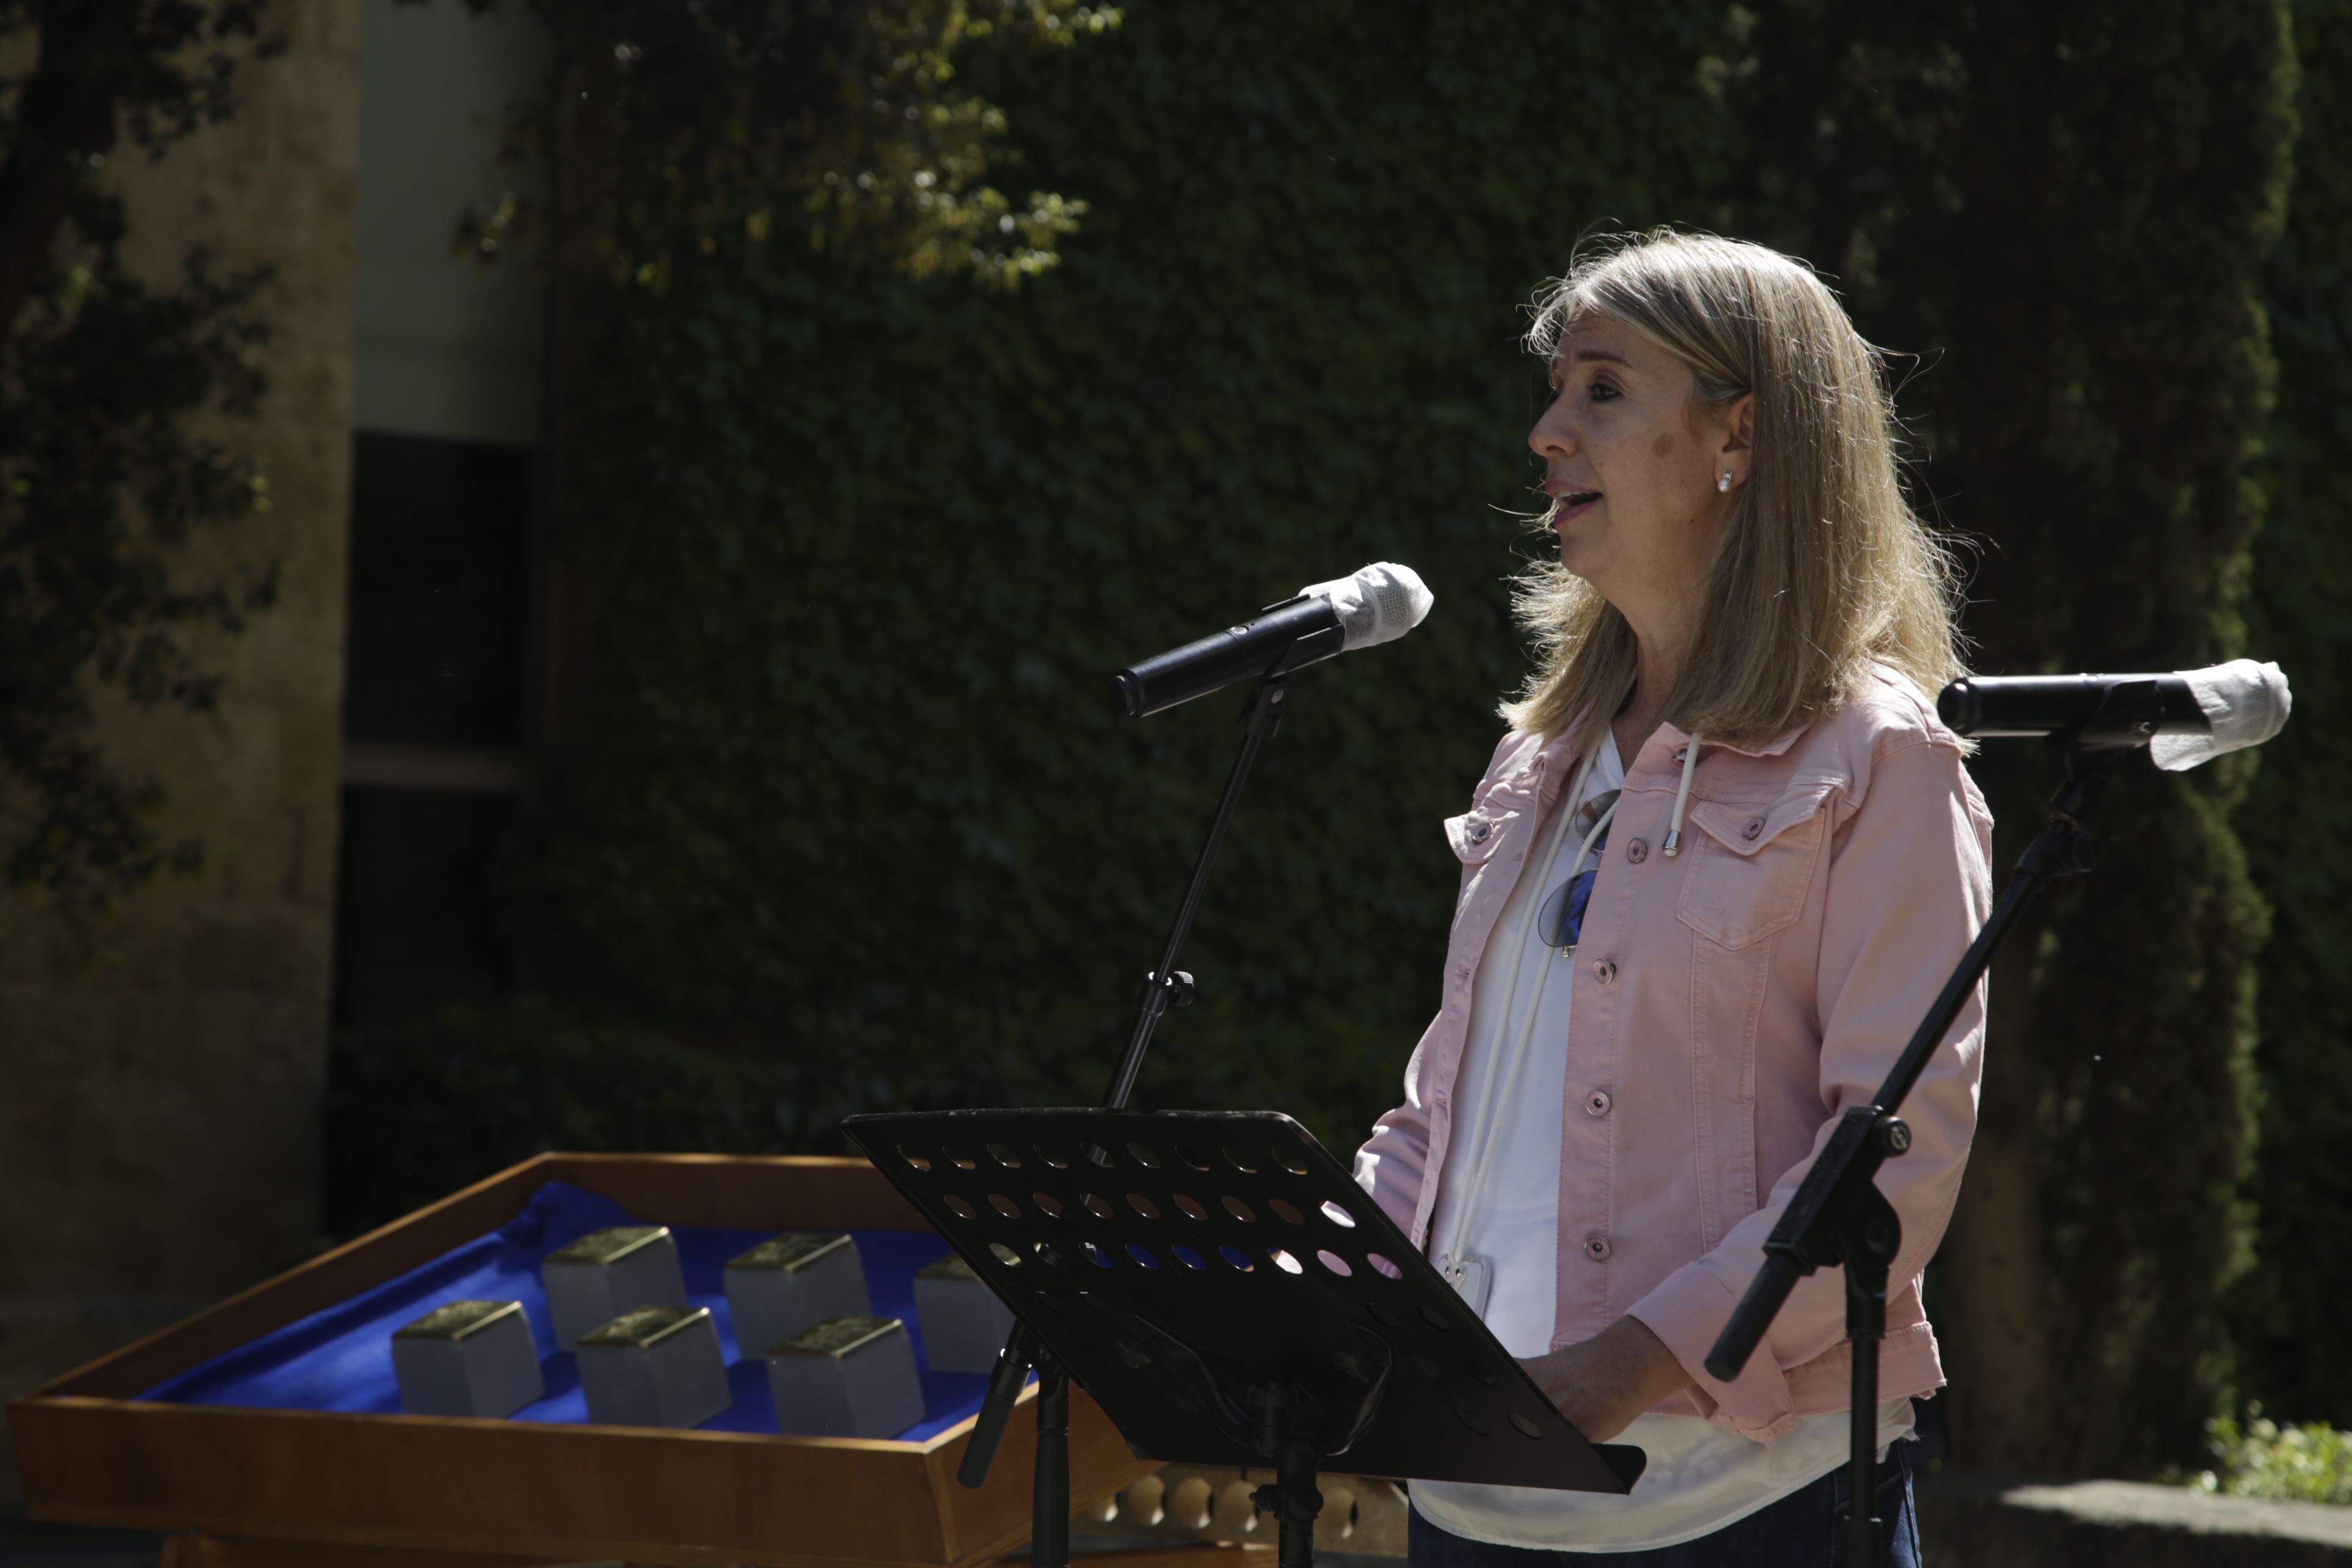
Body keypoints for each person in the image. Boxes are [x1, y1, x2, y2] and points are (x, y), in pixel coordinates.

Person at [1351, 229, 1994, 1566]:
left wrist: (1633, 1359)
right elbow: (1449, 1106)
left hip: (1742, 1507)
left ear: (1738, 438)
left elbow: (1892, 1160)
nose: (1544, 432)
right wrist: (1332, 1276)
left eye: (1600, 389)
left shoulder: (1882, 761)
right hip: (1465, 1497)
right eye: (1556, 390)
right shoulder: (1541, 753)